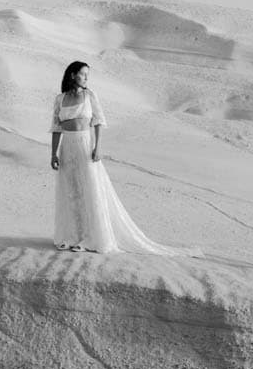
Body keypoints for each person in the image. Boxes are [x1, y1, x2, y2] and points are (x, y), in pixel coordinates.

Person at [50, 60, 171, 253]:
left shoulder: (90, 96)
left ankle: (88, 239)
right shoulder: (60, 99)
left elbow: (98, 121)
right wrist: (53, 154)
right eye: (83, 74)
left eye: (87, 75)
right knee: (70, 191)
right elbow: (56, 128)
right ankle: (71, 236)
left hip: (85, 144)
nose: (86, 78)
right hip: (67, 147)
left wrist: (98, 147)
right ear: (73, 75)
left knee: (89, 190)